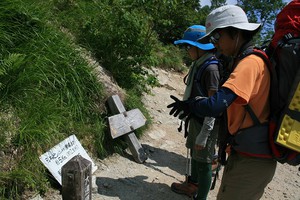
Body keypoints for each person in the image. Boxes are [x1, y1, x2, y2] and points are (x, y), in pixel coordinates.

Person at [167, 5, 277, 200]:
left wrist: (191, 105)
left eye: (217, 37)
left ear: (235, 33)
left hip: (253, 158)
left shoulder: (249, 64)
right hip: (246, 152)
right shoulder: (244, 60)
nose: (214, 44)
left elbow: (216, 104)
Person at [170, 25, 221, 200]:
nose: (187, 50)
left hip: (206, 123)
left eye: (188, 46)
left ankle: (201, 197)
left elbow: (214, 106)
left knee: (205, 163)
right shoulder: (199, 64)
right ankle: (192, 185)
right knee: (195, 154)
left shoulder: (211, 69)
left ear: (199, 47)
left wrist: (205, 134)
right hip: (196, 118)